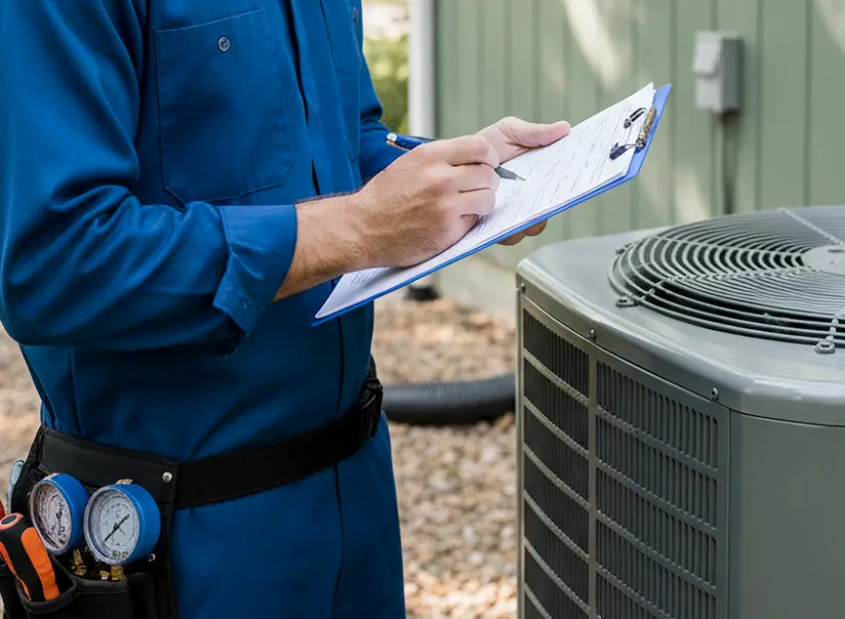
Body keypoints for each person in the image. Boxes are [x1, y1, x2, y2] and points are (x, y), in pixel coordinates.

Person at [0, 1, 569, 618]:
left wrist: (465, 181)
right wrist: (359, 228)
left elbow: (350, 147)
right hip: (175, 535)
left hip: (358, 498)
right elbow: (55, 263)